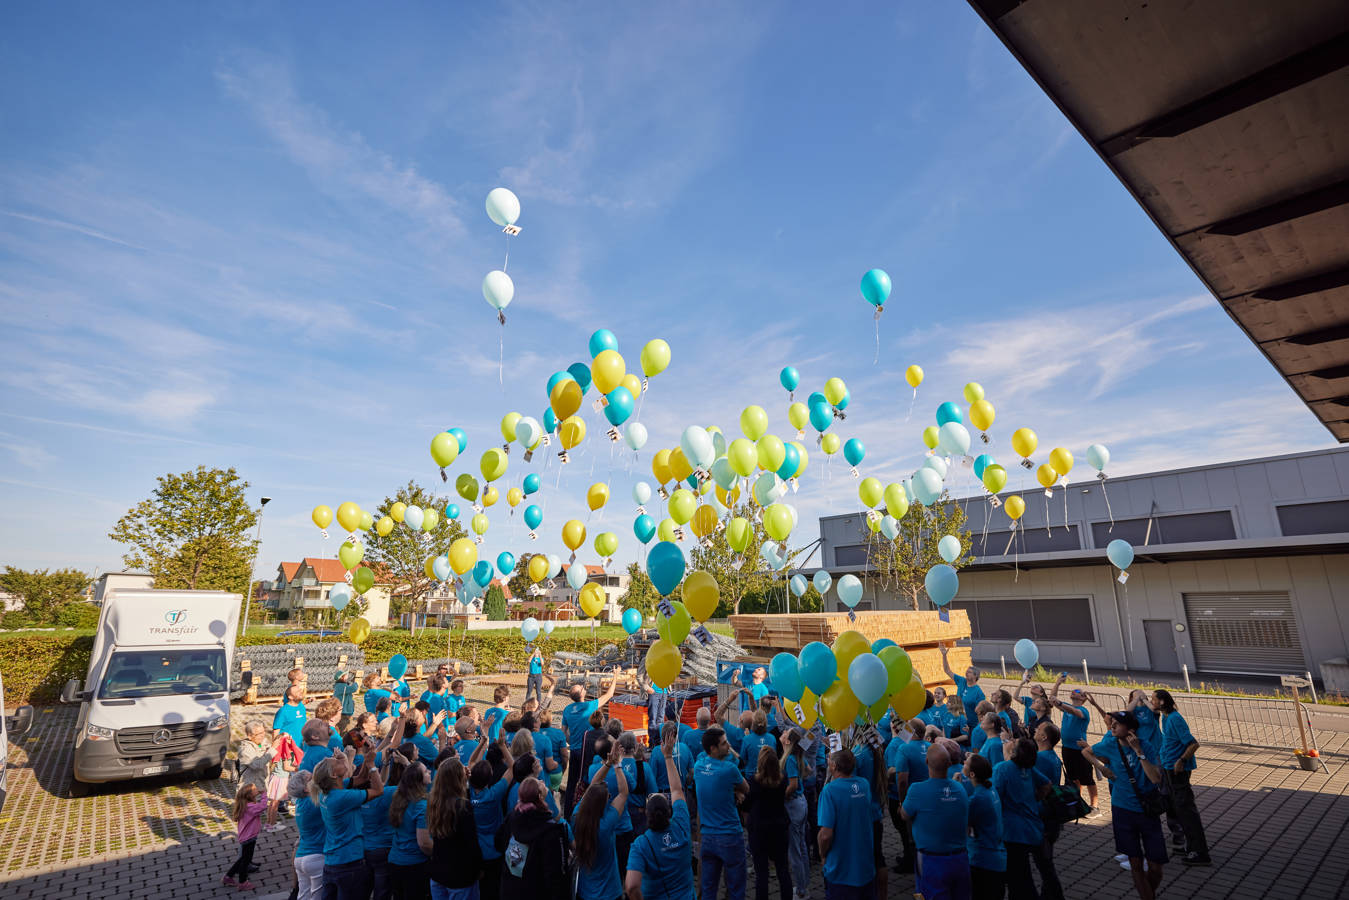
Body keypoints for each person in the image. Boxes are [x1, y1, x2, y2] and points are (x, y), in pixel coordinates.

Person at [1081, 711, 1167, 900]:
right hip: (1122, 809)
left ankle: (1147, 893)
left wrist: (1139, 753)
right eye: (1112, 722)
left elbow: (1155, 778)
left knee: (1156, 867)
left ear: (1131, 730)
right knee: (1135, 863)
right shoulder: (1109, 744)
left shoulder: (1146, 746)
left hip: (1146, 811)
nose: (1112, 726)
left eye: (1117, 724)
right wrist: (1102, 768)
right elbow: (1086, 751)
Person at [625, 729, 696, 900]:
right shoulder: (681, 825)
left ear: (648, 816)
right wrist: (669, 757)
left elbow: (632, 886)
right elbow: (678, 791)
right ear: (669, 812)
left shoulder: (641, 845)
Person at [899, 743, 970, 900]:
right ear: (950, 764)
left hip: (931, 860)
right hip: (960, 858)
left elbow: (904, 815)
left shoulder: (917, 790)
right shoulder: (960, 789)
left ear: (926, 763)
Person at [312, 752, 385, 900]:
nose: (340, 760)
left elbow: (362, 778)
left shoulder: (329, 792)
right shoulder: (342, 797)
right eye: (336, 763)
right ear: (334, 775)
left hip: (332, 863)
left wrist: (366, 759)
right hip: (349, 863)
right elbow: (378, 790)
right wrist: (371, 766)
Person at [994, 738, 1058, 900]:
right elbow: (1047, 784)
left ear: (1015, 753)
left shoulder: (1003, 768)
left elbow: (995, 799)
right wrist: (1034, 798)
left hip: (1014, 833)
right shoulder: (1028, 768)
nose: (1011, 741)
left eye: (1014, 743)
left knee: (1019, 878)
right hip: (1034, 827)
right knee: (1044, 869)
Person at [1151, 689, 1209, 865]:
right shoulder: (1167, 717)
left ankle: (1200, 853)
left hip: (1177, 772)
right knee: (1179, 810)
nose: (1151, 702)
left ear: (1162, 702)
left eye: (1153, 699)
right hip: (1169, 769)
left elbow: (1193, 744)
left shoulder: (1175, 719)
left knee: (1186, 811)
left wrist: (1181, 761)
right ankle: (1190, 848)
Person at [694, 726, 750, 900]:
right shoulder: (729, 769)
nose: (728, 746)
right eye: (724, 743)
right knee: (736, 887)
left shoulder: (698, 767)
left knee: (709, 888)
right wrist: (736, 792)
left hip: (708, 837)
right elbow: (746, 788)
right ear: (713, 748)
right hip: (730, 836)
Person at [496, 777, 571, 900]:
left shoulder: (512, 817)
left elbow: (499, 842)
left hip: (510, 887)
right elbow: (556, 876)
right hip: (536, 891)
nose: (542, 781)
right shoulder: (551, 832)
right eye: (539, 784)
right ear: (540, 797)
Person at [573, 742, 629, 900]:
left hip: (584, 892)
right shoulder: (606, 823)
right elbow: (624, 793)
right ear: (604, 804)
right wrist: (617, 765)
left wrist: (608, 764)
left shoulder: (577, 816)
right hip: (610, 892)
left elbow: (592, 786)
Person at [820, 749, 877, 900]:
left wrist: (822, 854)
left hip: (841, 868)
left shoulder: (830, 791)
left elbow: (825, 834)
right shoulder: (864, 785)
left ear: (833, 766)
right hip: (865, 864)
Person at [561, 674, 618, 818]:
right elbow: (610, 694)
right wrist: (615, 675)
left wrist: (573, 740)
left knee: (572, 783)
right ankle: (586, 813)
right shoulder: (588, 706)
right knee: (589, 781)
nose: (584, 687)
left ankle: (568, 814)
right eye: (581, 687)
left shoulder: (567, 709)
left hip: (574, 751)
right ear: (581, 694)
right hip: (587, 751)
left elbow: (563, 732)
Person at [427, 757, 482, 900]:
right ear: (457, 778)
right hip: (460, 876)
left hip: (438, 872)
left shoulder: (433, 802)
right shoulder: (462, 807)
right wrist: (478, 870)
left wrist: (465, 784)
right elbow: (472, 844)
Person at [470, 732, 516, 900]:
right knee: (493, 887)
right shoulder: (493, 794)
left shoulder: (467, 792)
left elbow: (472, 762)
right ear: (490, 778)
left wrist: (482, 742)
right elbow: (513, 768)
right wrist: (503, 746)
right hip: (494, 851)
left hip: (474, 849)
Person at [746, 746, 793, 900]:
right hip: (779, 827)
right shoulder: (783, 779)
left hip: (759, 830)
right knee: (783, 870)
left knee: (762, 874)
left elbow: (748, 804)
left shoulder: (753, 781)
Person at [887, 718, 929, 874]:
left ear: (911, 731)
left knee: (908, 833)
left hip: (910, 798)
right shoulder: (931, 746)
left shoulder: (904, 749)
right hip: (927, 797)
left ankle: (911, 862)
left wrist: (902, 801)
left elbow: (902, 780)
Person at [1048, 684, 1097, 814]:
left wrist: (1059, 703)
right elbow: (1052, 699)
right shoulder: (1066, 708)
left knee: (1087, 778)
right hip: (1067, 748)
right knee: (1073, 778)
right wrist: (1058, 683)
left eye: (1076, 691)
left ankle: (1095, 806)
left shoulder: (1083, 710)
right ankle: (1077, 801)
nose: (1072, 692)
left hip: (1080, 750)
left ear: (1082, 697)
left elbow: (1076, 712)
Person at [388, 762, 434, 900]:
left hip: (396, 861)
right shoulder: (421, 805)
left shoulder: (399, 798)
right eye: (426, 771)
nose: (430, 772)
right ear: (418, 779)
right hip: (414, 865)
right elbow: (424, 843)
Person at [962, 753, 1004, 900]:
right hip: (996, 855)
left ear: (972, 774)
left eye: (966, 763)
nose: (963, 763)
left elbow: (962, 824)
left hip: (983, 859)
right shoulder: (990, 789)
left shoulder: (977, 799)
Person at [781, 728, 811, 900]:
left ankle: (800, 890)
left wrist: (781, 796)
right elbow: (809, 770)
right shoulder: (798, 756)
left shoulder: (790, 760)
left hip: (793, 805)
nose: (783, 732)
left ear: (789, 742)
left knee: (795, 851)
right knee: (801, 846)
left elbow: (791, 785)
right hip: (802, 802)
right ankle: (804, 883)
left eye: (786, 732)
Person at [222, 781, 267, 890]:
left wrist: (259, 793)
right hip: (249, 838)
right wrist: (264, 794)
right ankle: (242, 882)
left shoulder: (245, 805)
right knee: (245, 861)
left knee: (242, 859)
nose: (258, 789)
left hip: (246, 837)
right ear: (250, 795)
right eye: (255, 789)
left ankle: (228, 876)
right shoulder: (251, 807)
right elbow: (263, 806)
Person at [290, 771, 325, 900]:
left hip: (300, 857)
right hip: (316, 857)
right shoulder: (314, 802)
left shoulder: (300, 803)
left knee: (303, 896)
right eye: (311, 779)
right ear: (306, 789)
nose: (315, 779)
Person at [940, 644, 985, 731]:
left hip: (970, 725)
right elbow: (947, 670)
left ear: (976, 676)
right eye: (966, 671)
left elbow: (981, 713)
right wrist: (944, 655)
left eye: (969, 672)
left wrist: (978, 729)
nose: (966, 673)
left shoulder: (978, 693)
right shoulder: (962, 681)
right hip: (957, 720)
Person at [740, 710, 777, 777]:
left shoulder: (747, 739)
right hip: (768, 777)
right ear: (765, 722)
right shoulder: (772, 738)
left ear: (753, 723)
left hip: (751, 777)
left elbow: (742, 760)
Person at [274, 683, 309, 748]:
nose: (301, 692)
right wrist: (275, 749)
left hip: (302, 745)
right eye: (297, 692)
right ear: (290, 697)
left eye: (300, 690)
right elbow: (276, 731)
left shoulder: (301, 706)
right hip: (288, 747)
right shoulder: (283, 711)